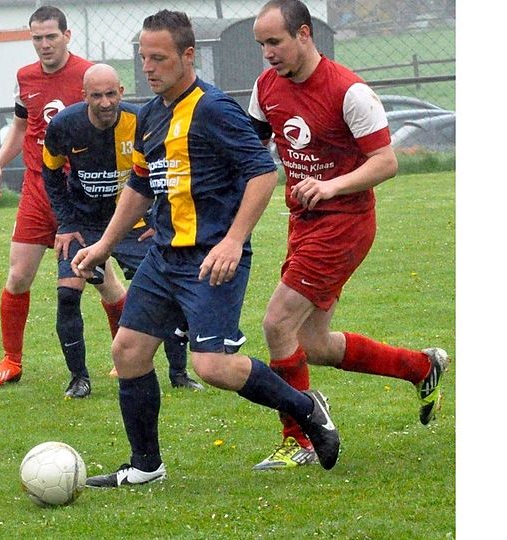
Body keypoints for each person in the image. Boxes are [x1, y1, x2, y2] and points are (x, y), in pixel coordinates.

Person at [71, 10, 341, 488]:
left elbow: (262, 171)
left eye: (160, 58)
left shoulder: (213, 108)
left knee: (211, 366)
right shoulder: (151, 113)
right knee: (129, 351)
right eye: (143, 58)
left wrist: (234, 240)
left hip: (211, 259)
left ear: (188, 56)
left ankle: (306, 408)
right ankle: (146, 465)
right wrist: (104, 245)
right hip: (164, 256)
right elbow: (139, 185)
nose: (149, 67)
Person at [247, 0, 450, 470]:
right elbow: (250, 146)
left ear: (304, 34)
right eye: (261, 45)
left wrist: (331, 185)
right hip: (303, 221)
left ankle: (299, 437)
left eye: (274, 42)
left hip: (345, 223)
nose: (268, 54)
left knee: (277, 323)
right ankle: (420, 366)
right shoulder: (266, 87)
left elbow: (387, 161)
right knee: (312, 344)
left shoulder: (348, 90)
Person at [0, 6, 122, 387]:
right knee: (18, 275)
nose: (44, 45)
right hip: (36, 189)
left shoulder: (87, 75)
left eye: (50, 37)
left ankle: (124, 354)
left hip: (77, 192)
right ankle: (11, 360)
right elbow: (22, 126)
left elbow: (111, 126)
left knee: (101, 279)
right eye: (37, 38)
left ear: (67, 36)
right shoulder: (25, 77)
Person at [42, 63, 204, 397]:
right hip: (84, 225)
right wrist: (67, 223)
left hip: (134, 223)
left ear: (121, 92)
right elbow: (51, 175)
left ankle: (179, 373)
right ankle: (79, 379)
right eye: (96, 95)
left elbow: (163, 173)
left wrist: (159, 221)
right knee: (67, 293)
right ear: (84, 95)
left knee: (170, 289)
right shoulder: (63, 125)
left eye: (111, 94)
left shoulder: (142, 120)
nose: (104, 102)